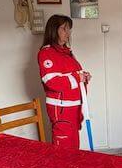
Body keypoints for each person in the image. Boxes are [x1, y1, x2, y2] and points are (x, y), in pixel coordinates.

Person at [38, 14, 91, 149]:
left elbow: (71, 75)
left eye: (69, 29)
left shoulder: (66, 52)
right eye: (64, 29)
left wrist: (83, 77)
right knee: (63, 148)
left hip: (74, 107)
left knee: (74, 145)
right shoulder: (46, 53)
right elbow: (51, 81)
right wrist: (77, 77)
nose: (68, 33)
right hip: (62, 109)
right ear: (53, 30)